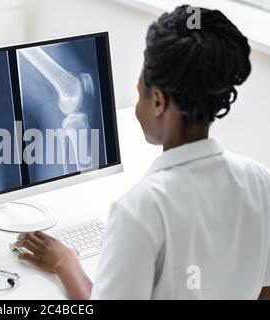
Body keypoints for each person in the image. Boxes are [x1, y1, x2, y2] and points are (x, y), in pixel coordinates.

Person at [13, 5, 270, 299]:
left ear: (158, 101)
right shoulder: (261, 181)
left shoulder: (140, 211)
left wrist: (64, 262)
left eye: (139, 93)